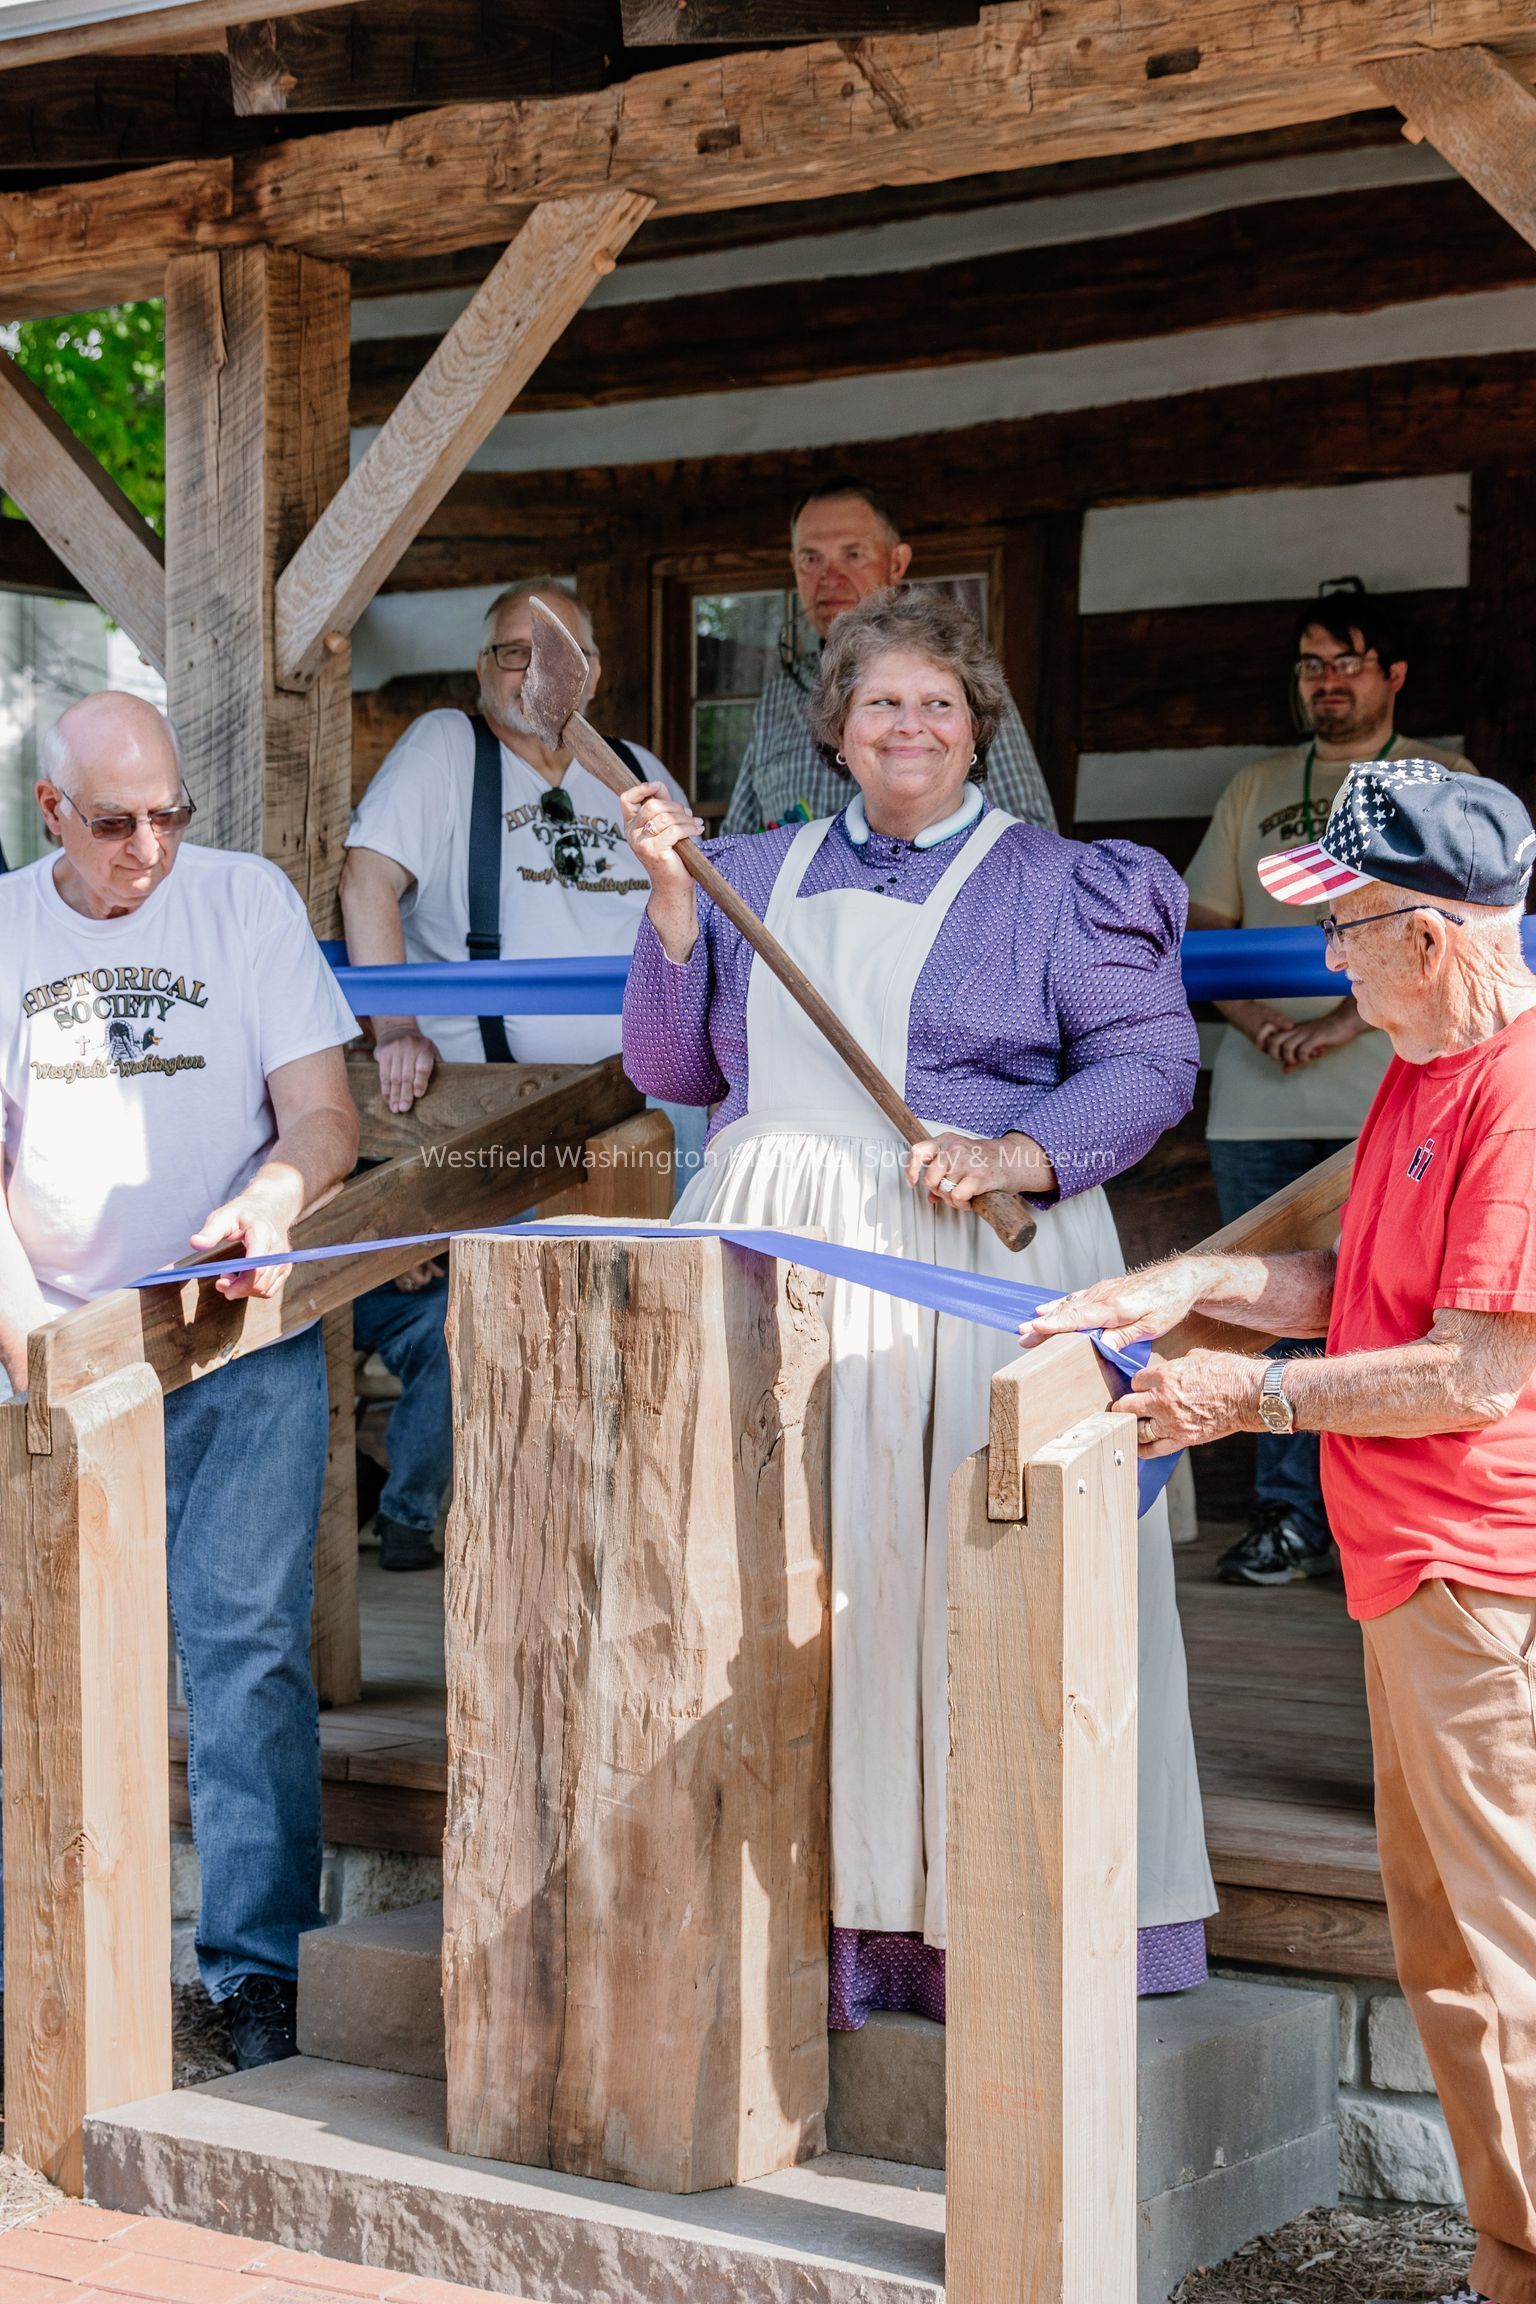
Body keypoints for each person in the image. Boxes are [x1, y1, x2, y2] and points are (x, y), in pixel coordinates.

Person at [621, 587, 1216, 2028]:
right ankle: (810, 1915)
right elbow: (669, 1068)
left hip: (961, 1266)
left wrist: (1017, 1152)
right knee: (793, 1578)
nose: (910, 726)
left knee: (954, 1578)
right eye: (882, 702)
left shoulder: (1062, 881)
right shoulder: (745, 865)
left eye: (938, 705)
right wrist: (670, 901)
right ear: (836, 727)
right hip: (772, 1260)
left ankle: (986, 1921)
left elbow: (1148, 1062)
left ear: (977, 730)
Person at [1024, 760, 1536, 2304]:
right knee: (1451, 1964)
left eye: (1353, 928)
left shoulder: (1512, 1098)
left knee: (1504, 1965)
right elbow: (1363, 1295)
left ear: (1436, 938)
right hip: (1413, 1570)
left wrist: (1245, 1402)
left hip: (1475, 1575)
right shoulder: (1422, 1071)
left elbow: (1471, 1369)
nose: (1327, 958)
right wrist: (1185, 1285)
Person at [0, 692, 360, 2070]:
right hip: (53, 1341)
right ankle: (28, 1966)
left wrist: (273, 1197)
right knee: (37, 1656)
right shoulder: (4, 928)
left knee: (244, 1650)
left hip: (229, 1338)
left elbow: (323, 1114)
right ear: (51, 816)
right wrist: (35, 1349)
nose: (147, 845)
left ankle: (256, 1975)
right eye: (112, 823)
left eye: (168, 814)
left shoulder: (243, 898)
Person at [339, 579, 692, 1571]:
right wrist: (394, 1023)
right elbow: (371, 881)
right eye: (507, 651)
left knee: (630, 1337)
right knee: (515, 1339)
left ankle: (613, 1541)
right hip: (498, 1112)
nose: (528, 670)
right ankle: (460, 1532)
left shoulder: (635, 769)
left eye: (552, 651)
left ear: (594, 672)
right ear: (479, 670)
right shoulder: (447, 750)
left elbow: (693, 912)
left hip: (635, 1109)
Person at [1184, 585, 1476, 1588]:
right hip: (1260, 1095)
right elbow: (1204, 931)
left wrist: (1345, 1019)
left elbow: (1455, 933)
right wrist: (1261, 1022)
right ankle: (1286, 1515)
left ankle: (1382, 1522)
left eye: (1347, 661)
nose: (1328, 681)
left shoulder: (1445, 782)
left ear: (1393, 674)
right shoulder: (1255, 786)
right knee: (1270, 1305)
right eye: (1311, 664)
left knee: (1387, 1308)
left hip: (1388, 1092)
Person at [721, 480, 1056, 836]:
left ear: (896, 563)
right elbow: (736, 840)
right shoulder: (778, 695)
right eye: (811, 558)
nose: (829, 578)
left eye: (853, 554)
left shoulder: (956, 680)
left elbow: (1030, 835)